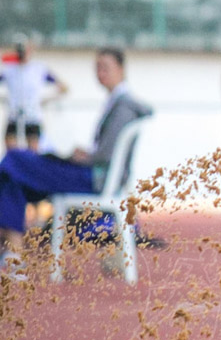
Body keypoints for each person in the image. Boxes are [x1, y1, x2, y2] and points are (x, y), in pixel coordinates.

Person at [0, 47, 151, 271]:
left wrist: (82, 156)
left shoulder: (124, 106)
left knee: (14, 160)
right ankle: (14, 254)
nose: (100, 73)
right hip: (91, 173)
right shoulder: (118, 103)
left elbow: (104, 156)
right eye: (97, 68)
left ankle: (13, 253)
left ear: (121, 69)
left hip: (93, 178)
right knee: (10, 179)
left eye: (105, 67)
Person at [0, 34, 68, 151]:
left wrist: (44, 100)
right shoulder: (9, 70)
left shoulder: (38, 69)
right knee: (12, 151)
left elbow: (63, 87)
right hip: (14, 114)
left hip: (33, 115)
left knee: (33, 153)